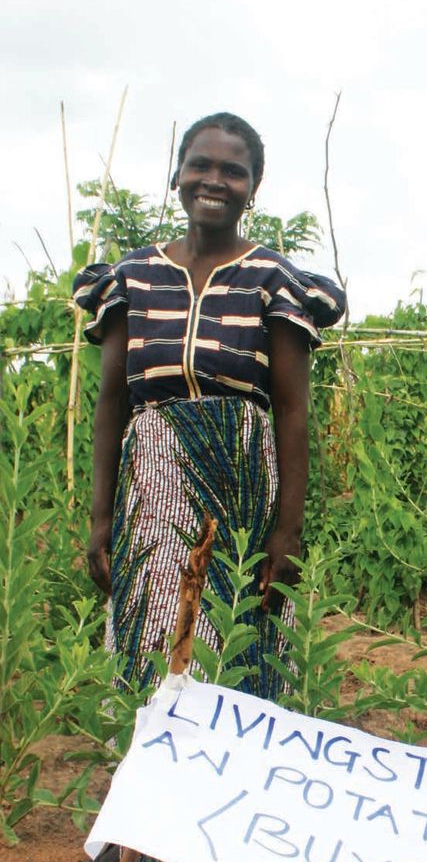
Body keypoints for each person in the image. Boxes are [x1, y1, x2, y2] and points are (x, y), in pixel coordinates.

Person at [75, 112, 346, 701]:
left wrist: (288, 532)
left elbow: (294, 411)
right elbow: (113, 399)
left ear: (254, 187)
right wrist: (101, 518)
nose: (214, 181)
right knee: (153, 625)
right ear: (177, 175)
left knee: (244, 634)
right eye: (200, 165)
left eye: (233, 171)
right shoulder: (134, 276)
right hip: (152, 477)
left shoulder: (272, 279)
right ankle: (155, 774)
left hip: (244, 479)